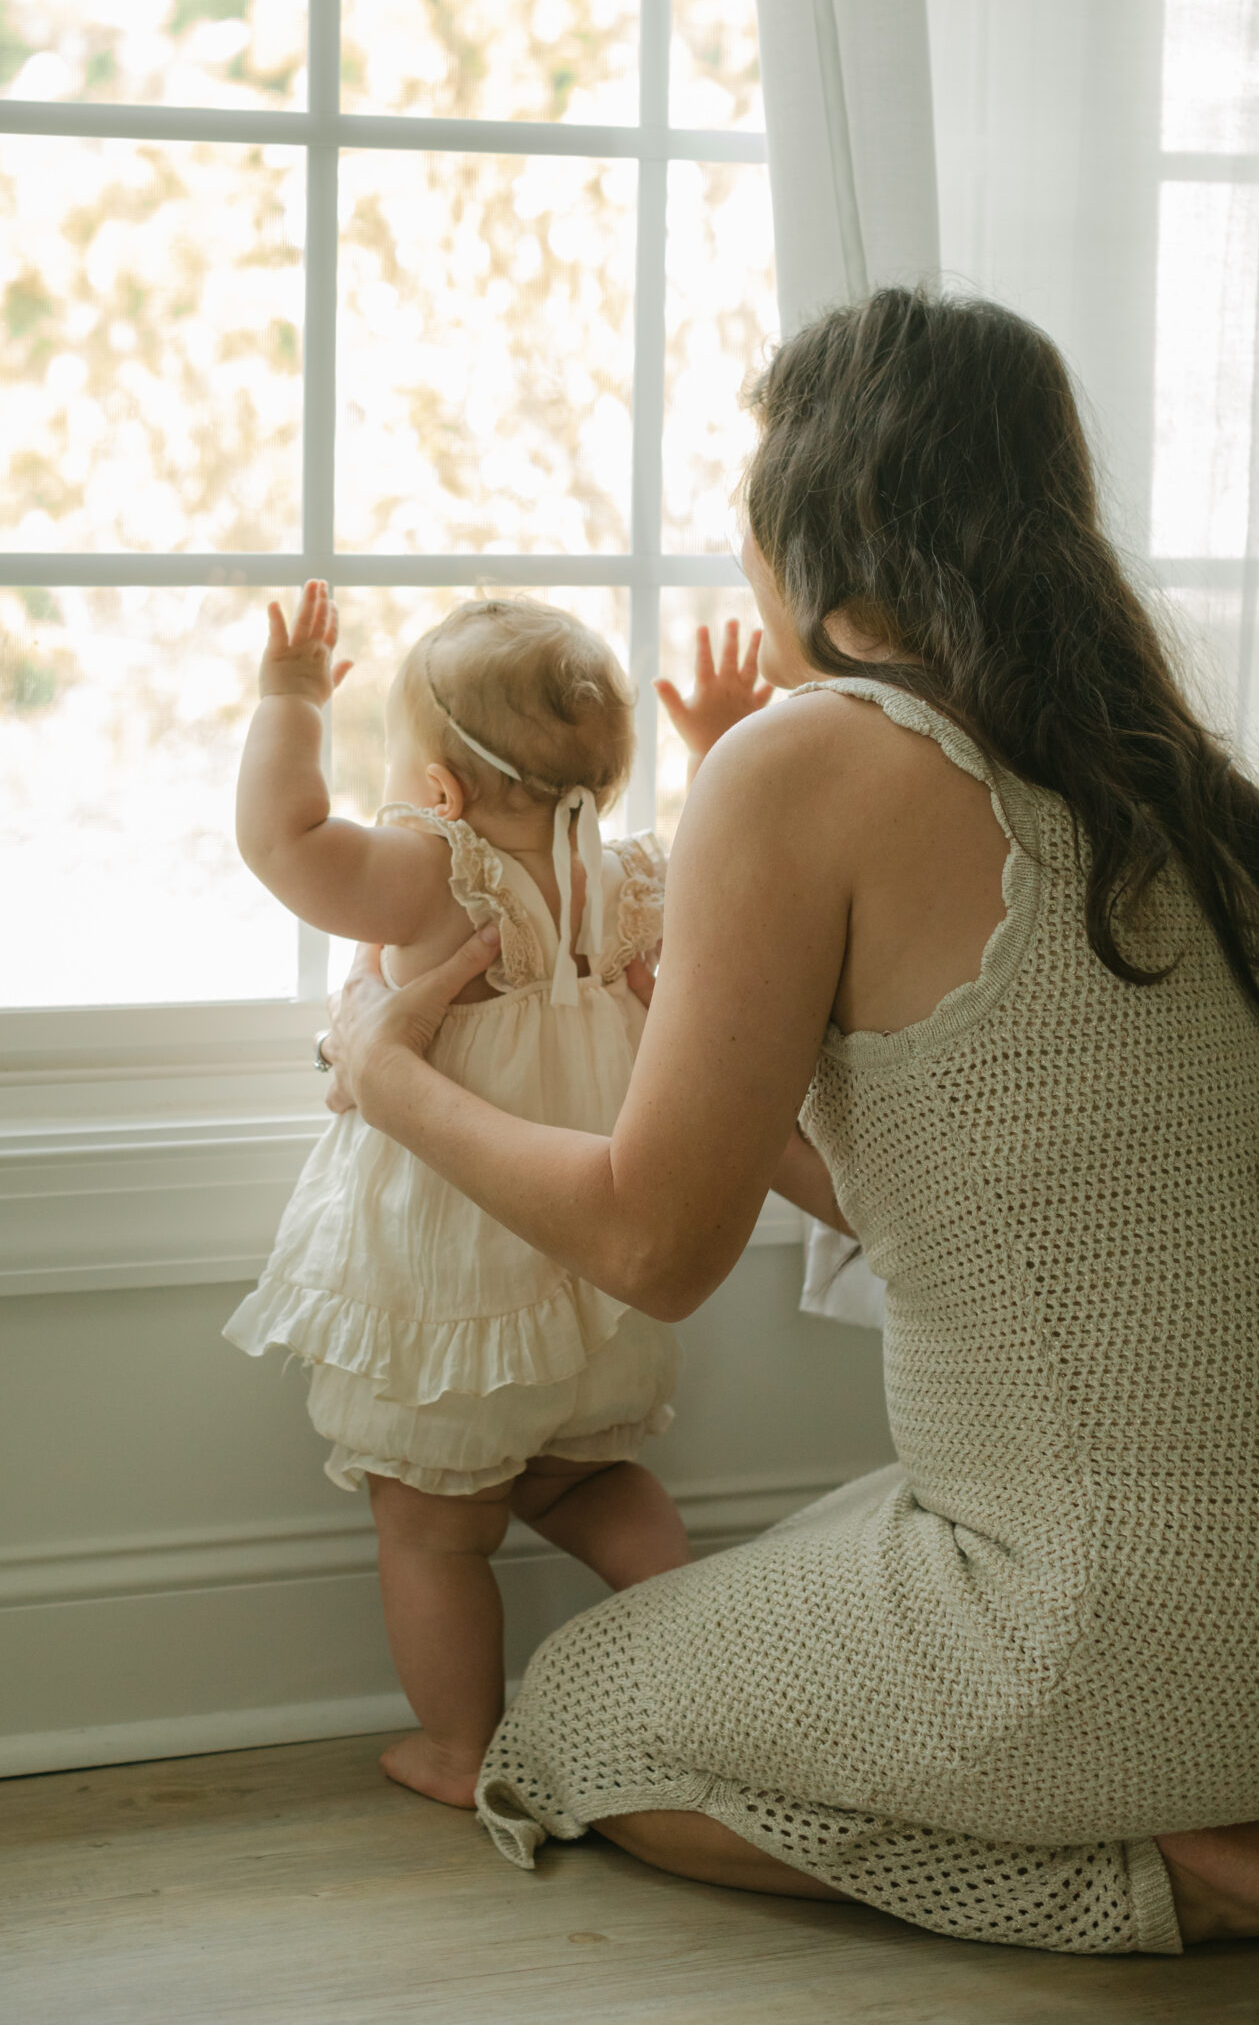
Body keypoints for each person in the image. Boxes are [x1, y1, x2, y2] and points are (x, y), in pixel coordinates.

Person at [322, 289, 1259, 1956]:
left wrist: (389, 1079)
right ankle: (1177, 1786)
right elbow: (957, 1194)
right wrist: (714, 1039)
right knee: (832, 1538)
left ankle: (1183, 1867)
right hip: (1213, 1594)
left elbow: (647, 1248)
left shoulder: (801, 759)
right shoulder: (1166, 776)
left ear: (814, 518)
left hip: (1104, 1622)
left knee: (572, 1724)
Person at [226, 587, 768, 1807]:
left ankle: (460, 1747)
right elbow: (740, 864)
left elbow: (284, 845)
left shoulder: (434, 874)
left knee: (433, 1526)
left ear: (445, 788)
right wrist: (724, 748)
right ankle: (712, 1662)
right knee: (587, 1478)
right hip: (593, 1279)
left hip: (454, 1294)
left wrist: (290, 702)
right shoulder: (626, 883)